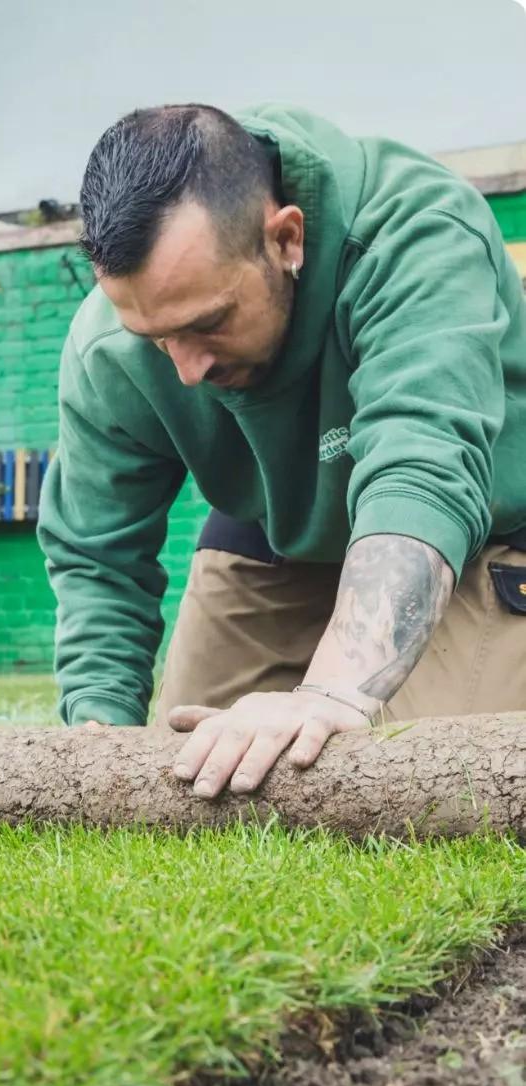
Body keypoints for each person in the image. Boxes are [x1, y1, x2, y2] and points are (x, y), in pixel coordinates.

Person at [36, 103, 526, 800]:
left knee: (406, 786)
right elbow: (96, 552)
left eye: (208, 324)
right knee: (188, 780)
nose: (185, 371)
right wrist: (97, 722)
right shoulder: (110, 344)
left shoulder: (415, 231)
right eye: (156, 337)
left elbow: (425, 470)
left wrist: (329, 694)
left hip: (480, 533)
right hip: (277, 530)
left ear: (286, 239)